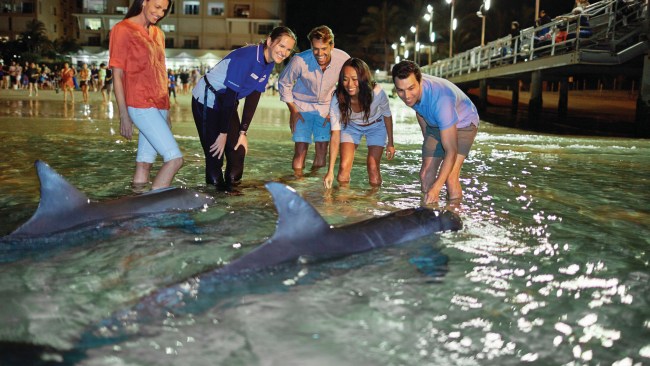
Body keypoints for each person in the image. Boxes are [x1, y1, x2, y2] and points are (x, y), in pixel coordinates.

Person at [191, 26, 297, 191]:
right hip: (208, 99)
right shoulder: (247, 57)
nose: (284, 52)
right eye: (281, 46)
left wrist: (242, 132)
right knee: (215, 156)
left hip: (228, 102)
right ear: (270, 41)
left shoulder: (268, 63)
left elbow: (254, 95)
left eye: (288, 49)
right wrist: (223, 133)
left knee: (238, 153)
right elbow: (230, 95)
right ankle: (215, 202)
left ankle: (234, 198)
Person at [109, 0, 183, 190]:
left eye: (164, 10)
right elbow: (117, 75)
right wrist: (124, 115)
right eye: (157, 7)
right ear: (144, 2)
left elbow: (160, 72)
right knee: (175, 160)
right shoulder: (122, 29)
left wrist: (167, 111)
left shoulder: (158, 33)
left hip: (159, 104)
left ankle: (137, 208)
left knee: (144, 163)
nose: (160, 13)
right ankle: (154, 210)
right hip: (139, 104)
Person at [391, 60, 479, 204]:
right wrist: (429, 143)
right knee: (425, 174)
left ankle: (454, 215)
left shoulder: (441, 99)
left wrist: (436, 188)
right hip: (435, 122)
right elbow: (420, 112)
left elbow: (451, 151)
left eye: (411, 88)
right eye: (400, 90)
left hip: (464, 122)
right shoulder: (409, 90)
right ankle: (429, 211)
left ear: (420, 81)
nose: (406, 96)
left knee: (450, 177)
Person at [278, 25, 350, 176]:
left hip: (326, 108)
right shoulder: (299, 60)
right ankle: (298, 185)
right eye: (315, 48)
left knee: (322, 150)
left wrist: (337, 110)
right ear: (311, 45)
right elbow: (284, 83)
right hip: (301, 107)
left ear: (332, 46)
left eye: (324, 48)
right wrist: (293, 110)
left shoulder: (343, 59)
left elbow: (348, 85)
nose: (319, 53)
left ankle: (314, 186)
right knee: (300, 150)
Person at [324, 58, 395, 189]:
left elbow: (387, 115)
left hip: (376, 126)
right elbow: (335, 135)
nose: (349, 84)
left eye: (355, 79)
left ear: (363, 78)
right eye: (345, 79)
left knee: (373, 167)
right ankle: (343, 203)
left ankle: (372, 201)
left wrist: (390, 143)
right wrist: (330, 171)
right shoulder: (337, 98)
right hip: (351, 127)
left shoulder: (377, 93)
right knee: (343, 167)